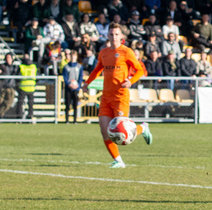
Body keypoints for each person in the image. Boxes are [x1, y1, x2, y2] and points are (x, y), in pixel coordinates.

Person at [82, 24, 152, 168]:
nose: (113, 37)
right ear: (107, 36)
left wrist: (130, 81)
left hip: (121, 97)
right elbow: (96, 70)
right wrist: (86, 83)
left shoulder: (127, 52)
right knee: (104, 131)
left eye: (116, 34)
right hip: (106, 97)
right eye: (111, 34)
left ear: (121, 37)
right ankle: (118, 161)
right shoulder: (104, 53)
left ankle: (143, 128)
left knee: (123, 132)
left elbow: (139, 70)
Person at [63, 50, 83, 124]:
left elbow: (81, 77)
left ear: (76, 57)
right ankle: (67, 120)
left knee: (75, 105)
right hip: (68, 88)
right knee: (67, 104)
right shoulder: (66, 66)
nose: (73, 57)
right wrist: (69, 84)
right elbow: (65, 77)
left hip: (76, 88)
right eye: (71, 56)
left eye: (74, 56)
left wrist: (78, 85)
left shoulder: (79, 66)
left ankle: (75, 120)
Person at [17, 54, 37, 121]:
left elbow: (18, 76)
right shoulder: (34, 66)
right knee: (30, 103)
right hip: (31, 87)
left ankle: (19, 117)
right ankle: (30, 116)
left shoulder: (21, 66)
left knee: (20, 103)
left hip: (23, 87)